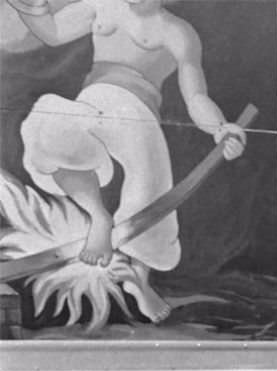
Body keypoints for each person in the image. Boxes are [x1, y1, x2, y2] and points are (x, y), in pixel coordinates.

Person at [7, 0, 246, 320]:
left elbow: (196, 97)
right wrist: (31, 10)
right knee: (49, 127)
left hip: (138, 115)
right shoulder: (100, 6)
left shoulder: (177, 32)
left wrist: (220, 129)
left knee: (151, 183)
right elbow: (53, 32)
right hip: (93, 101)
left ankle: (140, 281)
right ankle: (98, 218)